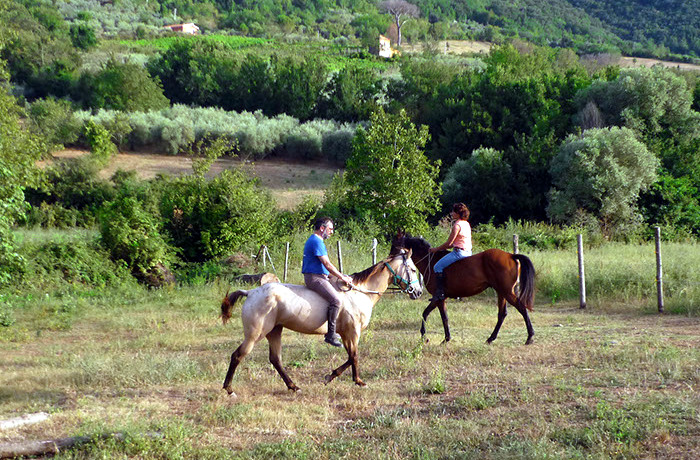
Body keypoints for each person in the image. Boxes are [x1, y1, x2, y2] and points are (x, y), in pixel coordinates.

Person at [302, 217, 353, 347]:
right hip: (315, 278)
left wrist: (341, 276)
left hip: (321, 275)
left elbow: (325, 267)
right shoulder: (316, 241)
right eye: (330, 229)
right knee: (336, 300)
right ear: (322, 228)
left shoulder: (317, 241)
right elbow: (327, 264)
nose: (332, 232)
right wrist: (342, 277)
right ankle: (330, 335)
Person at [428, 203, 472, 301]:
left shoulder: (457, 225)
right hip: (468, 253)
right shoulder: (466, 224)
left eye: (453, 212)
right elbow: (456, 242)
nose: (451, 214)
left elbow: (449, 243)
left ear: (458, 213)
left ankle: (440, 293)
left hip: (459, 253)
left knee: (437, 267)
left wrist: (435, 249)